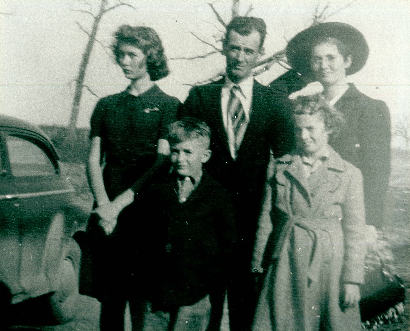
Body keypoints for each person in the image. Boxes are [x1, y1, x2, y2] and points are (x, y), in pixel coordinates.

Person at [178, 16, 294, 330]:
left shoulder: (274, 103)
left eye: (248, 50)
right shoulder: (200, 98)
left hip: (252, 221)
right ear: (223, 47)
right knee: (202, 307)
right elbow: (182, 160)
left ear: (260, 53)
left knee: (245, 303)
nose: (239, 57)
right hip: (205, 220)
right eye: (234, 48)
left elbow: (288, 163)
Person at [85, 24, 179, 330]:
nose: (124, 61)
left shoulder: (169, 106)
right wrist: (104, 206)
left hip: (145, 216)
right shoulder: (106, 105)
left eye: (132, 54)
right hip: (106, 215)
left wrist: (119, 205)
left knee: (143, 304)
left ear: (149, 57)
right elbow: (93, 159)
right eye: (120, 54)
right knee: (110, 302)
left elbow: (161, 162)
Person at [252, 94, 367, 330]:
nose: (304, 136)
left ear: (328, 128)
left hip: (329, 266)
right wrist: (257, 264)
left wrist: (352, 279)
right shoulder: (279, 168)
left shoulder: (349, 173)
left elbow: (355, 231)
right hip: (286, 259)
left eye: (311, 128)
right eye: (298, 129)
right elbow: (266, 221)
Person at [128, 118, 236, 330]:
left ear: (205, 156)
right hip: (156, 294)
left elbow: (227, 246)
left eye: (188, 152)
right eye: (175, 151)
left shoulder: (218, 196)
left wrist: (207, 281)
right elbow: (141, 238)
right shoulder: (156, 191)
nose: (179, 158)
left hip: (194, 296)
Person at [284, 22, 391, 228]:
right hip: (311, 216)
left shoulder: (370, 109)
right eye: (317, 59)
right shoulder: (306, 108)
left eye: (331, 58)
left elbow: (377, 172)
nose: (324, 65)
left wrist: (370, 224)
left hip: (350, 217)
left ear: (347, 61)